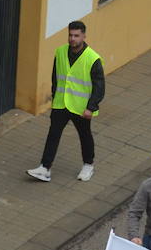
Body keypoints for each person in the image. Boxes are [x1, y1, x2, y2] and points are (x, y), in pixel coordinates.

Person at [27, 21, 103, 182]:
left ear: (83, 36)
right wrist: (55, 97)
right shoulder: (60, 52)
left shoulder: (92, 58)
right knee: (53, 134)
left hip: (80, 107)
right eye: (70, 35)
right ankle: (45, 168)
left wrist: (91, 107)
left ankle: (88, 165)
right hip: (61, 104)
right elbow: (55, 77)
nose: (72, 39)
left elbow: (99, 87)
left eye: (76, 35)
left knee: (84, 135)